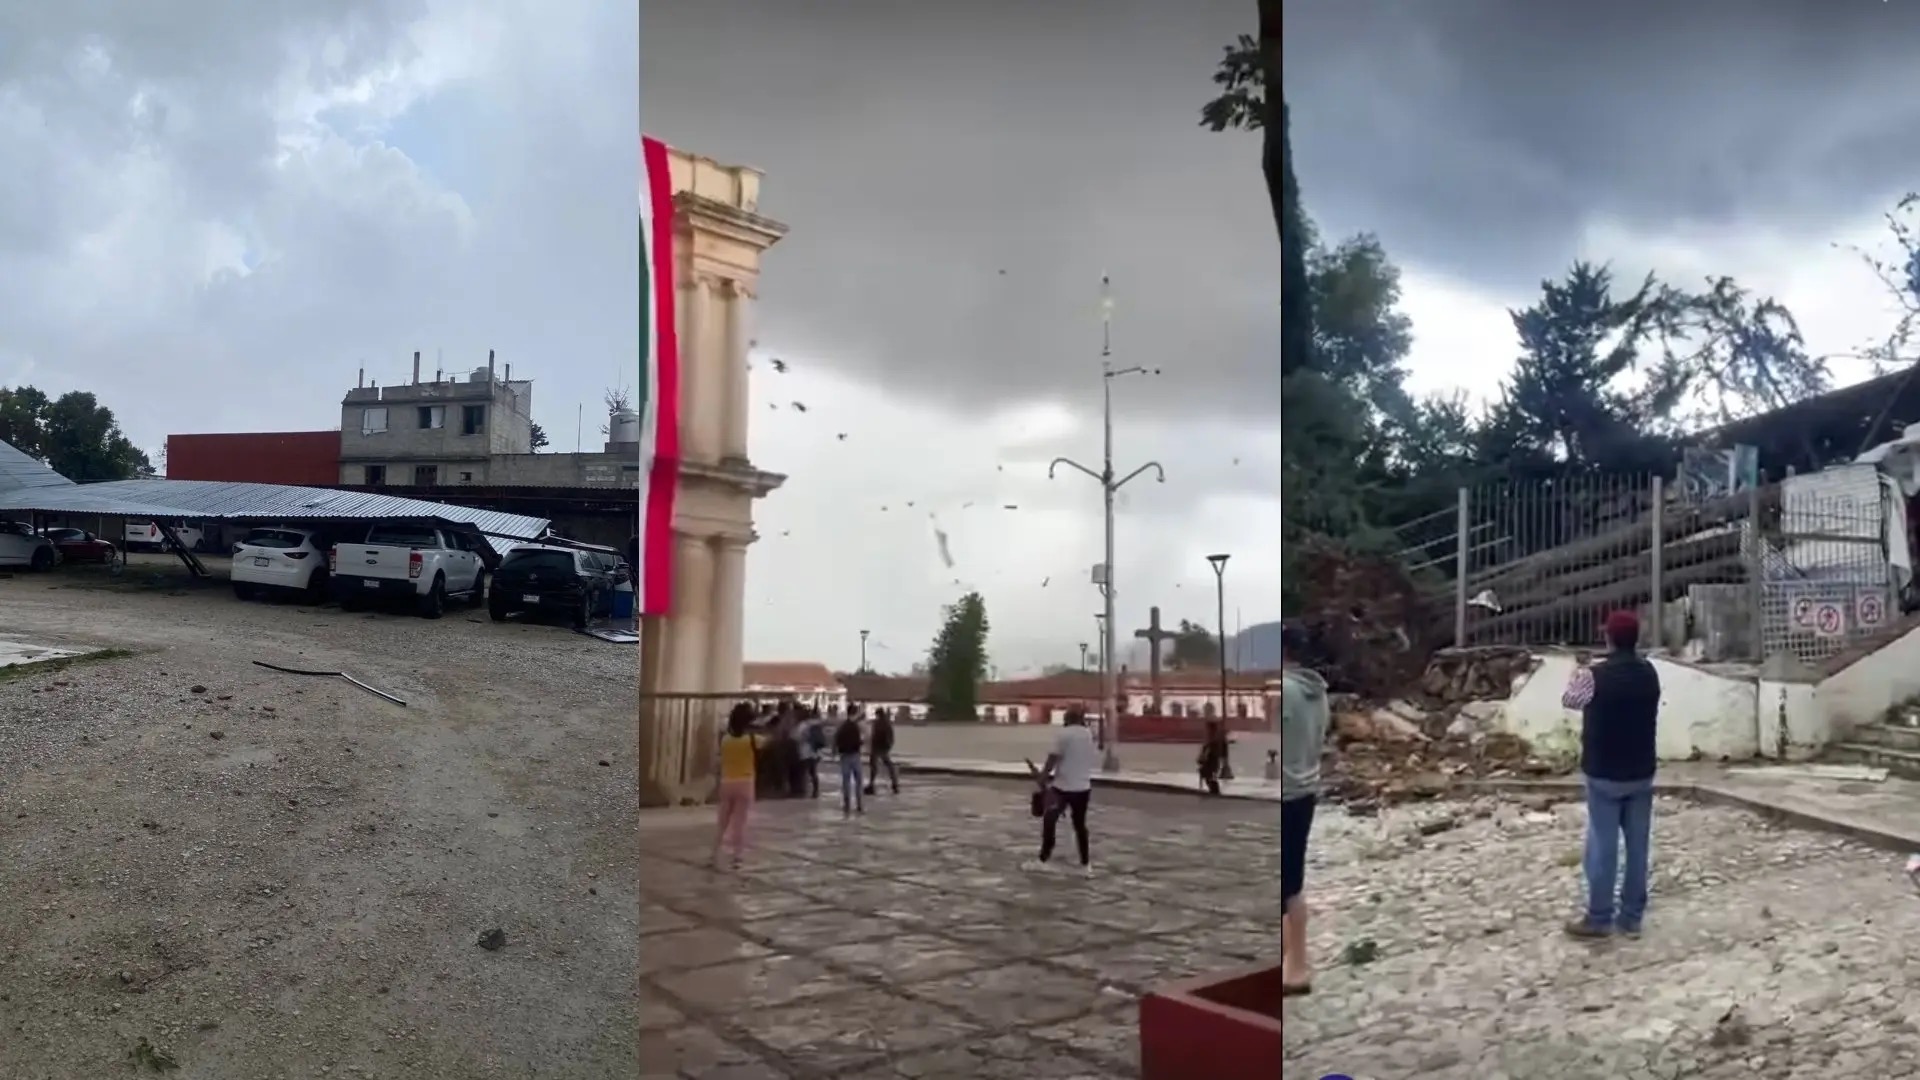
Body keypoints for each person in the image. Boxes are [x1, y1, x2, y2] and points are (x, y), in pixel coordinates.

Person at [1561, 610, 1661, 940]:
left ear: (1608, 639)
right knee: (1638, 847)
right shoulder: (1650, 673)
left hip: (1604, 773)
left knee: (1603, 846)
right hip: (1641, 771)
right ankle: (1631, 917)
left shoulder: (1593, 676)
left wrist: (1581, 669)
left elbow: (1570, 701)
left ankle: (1599, 917)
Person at [1280, 622, 1329, 997]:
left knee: (1287, 888)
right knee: (1290, 884)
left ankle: (1296, 969)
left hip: (1284, 795)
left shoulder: (1286, 691)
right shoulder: (1317, 692)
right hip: (1305, 790)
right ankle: (1291, 962)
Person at [1025, 707, 1097, 875]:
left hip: (1063, 787)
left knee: (1049, 821)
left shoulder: (1063, 734)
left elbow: (1053, 759)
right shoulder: (1088, 734)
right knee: (1080, 825)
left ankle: (1043, 859)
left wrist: (1042, 777)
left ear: (1067, 718)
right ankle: (1085, 864)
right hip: (1083, 787)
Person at [713, 702, 761, 870]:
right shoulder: (753, 740)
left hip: (727, 782)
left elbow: (719, 760)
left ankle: (714, 853)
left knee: (723, 820)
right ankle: (737, 857)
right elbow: (770, 742)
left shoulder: (725, 740)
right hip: (746, 782)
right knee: (740, 822)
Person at [834, 706, 866, 816]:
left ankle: (847, 804)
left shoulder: (842, 726)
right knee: (858, 781)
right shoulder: (856, 727)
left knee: (846, 781)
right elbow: (858, 741)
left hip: (844, 756)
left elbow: (837, 740)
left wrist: (837, 751)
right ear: (855, 713)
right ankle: (859, 805)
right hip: (855, 755)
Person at [866, 705, 899, 796]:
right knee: (889, 766)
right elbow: (890, 736)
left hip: (877, 747)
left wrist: (871, 747)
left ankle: (871, 785)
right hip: (884, 747)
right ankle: (894, 784)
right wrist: (889, 746)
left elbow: (874, 736)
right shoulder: (887, 723)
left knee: (874, 768)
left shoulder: (877, 723)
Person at [796, 706, 825, 798]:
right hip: (816, 752)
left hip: (805, 751)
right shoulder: (818, 725)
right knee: (813, 772)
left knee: (805, 772)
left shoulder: (803, 725)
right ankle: (815, 791)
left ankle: (803, 790)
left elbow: (797, 737)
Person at [1198, 719, 1229, 795]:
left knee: (1209, 776)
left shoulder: (1213, 739)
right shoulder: (1218, 738)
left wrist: (1202, 757)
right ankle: (1215, 791)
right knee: (1209, 776)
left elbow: (1207, 749)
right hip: (1213, 759)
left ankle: (1215, 791)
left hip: (1211, 759)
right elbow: (1224, 752)